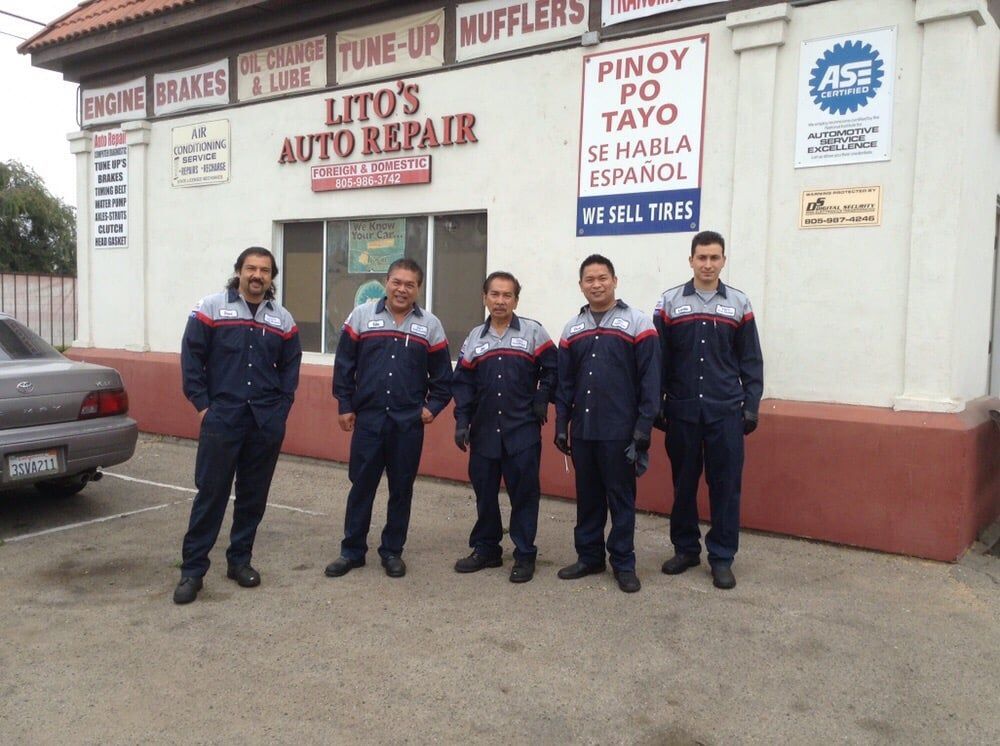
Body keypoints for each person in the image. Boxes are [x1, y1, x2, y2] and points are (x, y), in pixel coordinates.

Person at [174, 247, 302, 604]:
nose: (257, 275)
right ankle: (192, 571)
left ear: (271, 277)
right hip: (222, 418)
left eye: (264, 270)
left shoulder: (283, 320)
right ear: (239, 272)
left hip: (264, 422)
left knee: (252, 496)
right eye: (251, 268)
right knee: (211, 494)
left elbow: (291, 367)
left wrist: (282, 409)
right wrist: (202, 407)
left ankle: (239, 560)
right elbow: (191, 358)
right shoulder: (211, 308)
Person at [326, 258, 452, 579]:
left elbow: (442, 378)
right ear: (387, 281)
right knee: (361, 487)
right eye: (397, 282)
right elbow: (344, 364)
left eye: (410, 284)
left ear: (418, 288)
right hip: (368, 420)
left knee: (401, 489)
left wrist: (432, 407)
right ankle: (352, 551)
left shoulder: (430, 325)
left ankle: (392, 551)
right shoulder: (362, 316)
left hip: (407, 424)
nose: (402, 289)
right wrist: (344, 404)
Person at [654, 231, 763, 590]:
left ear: (723, 261)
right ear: (690, 260)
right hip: (682, 411)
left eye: (714, 258)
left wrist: (751, 405)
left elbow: (750, 360)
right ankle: (685, 549)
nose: (707, 264)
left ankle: (721, 557)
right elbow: (658, 360)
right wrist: (656, 404)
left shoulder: (739, 304)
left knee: (725, 487)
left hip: (725, 412)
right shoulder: (669, 303)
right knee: (683, 485)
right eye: (701, 257)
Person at [554, 255, 660, 593]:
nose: (596, 284)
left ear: (615, 280)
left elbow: (651, 380)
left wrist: (644, 426)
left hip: (621, 432)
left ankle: (623, 563)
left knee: (621, 499)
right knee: (588, 498)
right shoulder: (572, 329)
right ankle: (589, 557)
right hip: (584, 430)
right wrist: (561, 424)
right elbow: (564, 383)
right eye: (589, 279)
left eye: (602, 278)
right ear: (581, 284)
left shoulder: (638, 323)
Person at [451, 272, 557, 583]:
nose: (500, 301)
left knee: (524, 494)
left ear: (516, 300)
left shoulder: (534, 332)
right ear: (484, 297)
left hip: (521, 430)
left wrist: (542, 397)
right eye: (494, 294)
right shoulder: (474, 338)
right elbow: (463, 383)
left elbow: (554, 368)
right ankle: (487, 549)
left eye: (507, 295)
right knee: (485, 493)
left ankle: (524, 554)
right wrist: (461, 421)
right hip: (483, 431)